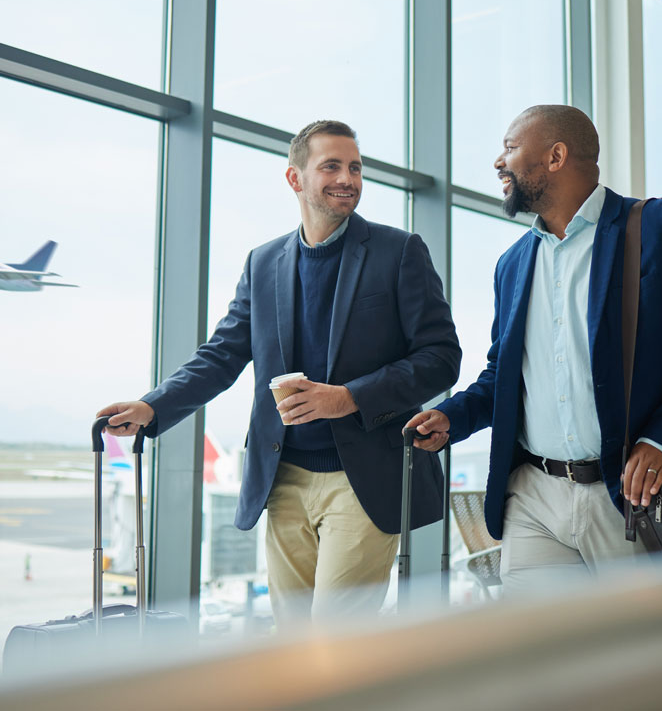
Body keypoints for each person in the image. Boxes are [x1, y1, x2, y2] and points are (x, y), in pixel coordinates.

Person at [98, 120, 461, 625]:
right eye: (331, 166)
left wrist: (349, 397)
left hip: (364, 479)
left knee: (336, 643)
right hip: (282, 478)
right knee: (292, 644)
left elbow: (441, 357)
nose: (348, 178)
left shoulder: (398, 252)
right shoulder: (263, 262)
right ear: (295, 179)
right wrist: (153, 406)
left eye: (355, 167)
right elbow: (222, 354)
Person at [406, 104, 662, 594]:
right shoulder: (513, 264)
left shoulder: (660, 228)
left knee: (637, 659)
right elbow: (502, 374)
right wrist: (452, 418)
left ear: (556, 155)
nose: (498, 162)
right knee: (544, 659)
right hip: (534, 498)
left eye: (509, 148)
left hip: (630, 497)